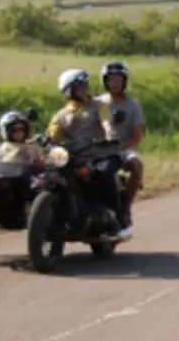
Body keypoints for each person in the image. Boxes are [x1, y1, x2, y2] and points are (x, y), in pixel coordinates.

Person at [46, 68, 130, 241]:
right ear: (69, 90)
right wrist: (42, 143)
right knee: (51, 176)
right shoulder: (61, 115)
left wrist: (110, 134)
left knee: (104, 174)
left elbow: (106, 121)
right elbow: (51, 135)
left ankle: (116, 221)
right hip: (75, 157)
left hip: (102, 153)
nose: (85, 88)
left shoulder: (99, 106)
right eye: (79, 86)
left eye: (85, 84)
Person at [96, 60, 144, 233]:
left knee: (137, 164)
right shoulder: (96, 103)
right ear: (104, 81)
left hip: (122, 148)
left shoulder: (133, 105)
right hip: (96, 149)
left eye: (118, 79)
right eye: (110, 79)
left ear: (125, 81)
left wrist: (120, 147)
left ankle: (125, 208)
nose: (114, 83)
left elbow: (137, 137)